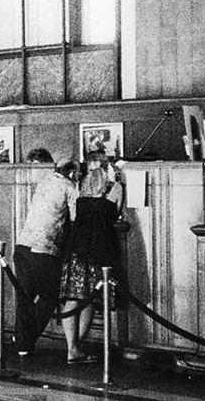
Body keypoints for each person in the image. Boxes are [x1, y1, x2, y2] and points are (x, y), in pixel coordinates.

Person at [7, 158, 81, 354]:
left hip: (22, 245)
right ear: (72, 173)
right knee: (49, 297)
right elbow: (76, 219)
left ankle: (22, 344)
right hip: (45, 249)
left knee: (25, 297)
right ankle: (26, 338)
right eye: (78, 174)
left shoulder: (44, 182)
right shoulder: (70, 187)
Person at [59, 152, 124, 363]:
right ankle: (76, 348)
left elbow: (75, 217)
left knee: (73, 298)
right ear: (108, 168)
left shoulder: (78, 188)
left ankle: (72, 348)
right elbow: (117, 215)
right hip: (100, 250)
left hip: (77, 248)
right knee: (90, 300)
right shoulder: (115, 189)